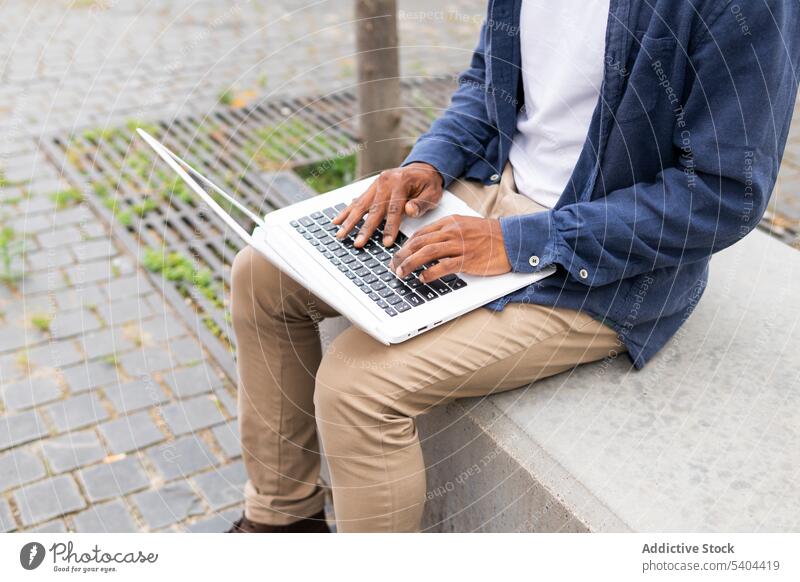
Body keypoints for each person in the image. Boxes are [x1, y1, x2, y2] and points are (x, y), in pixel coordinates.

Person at [227, 0, 800, 532]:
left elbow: (724, 194)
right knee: (260, 275)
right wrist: (431, 161)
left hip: (604, 263)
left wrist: (519, 239)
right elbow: (488, 83)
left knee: (357, 387)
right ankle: (282, 525)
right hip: (484, 190)